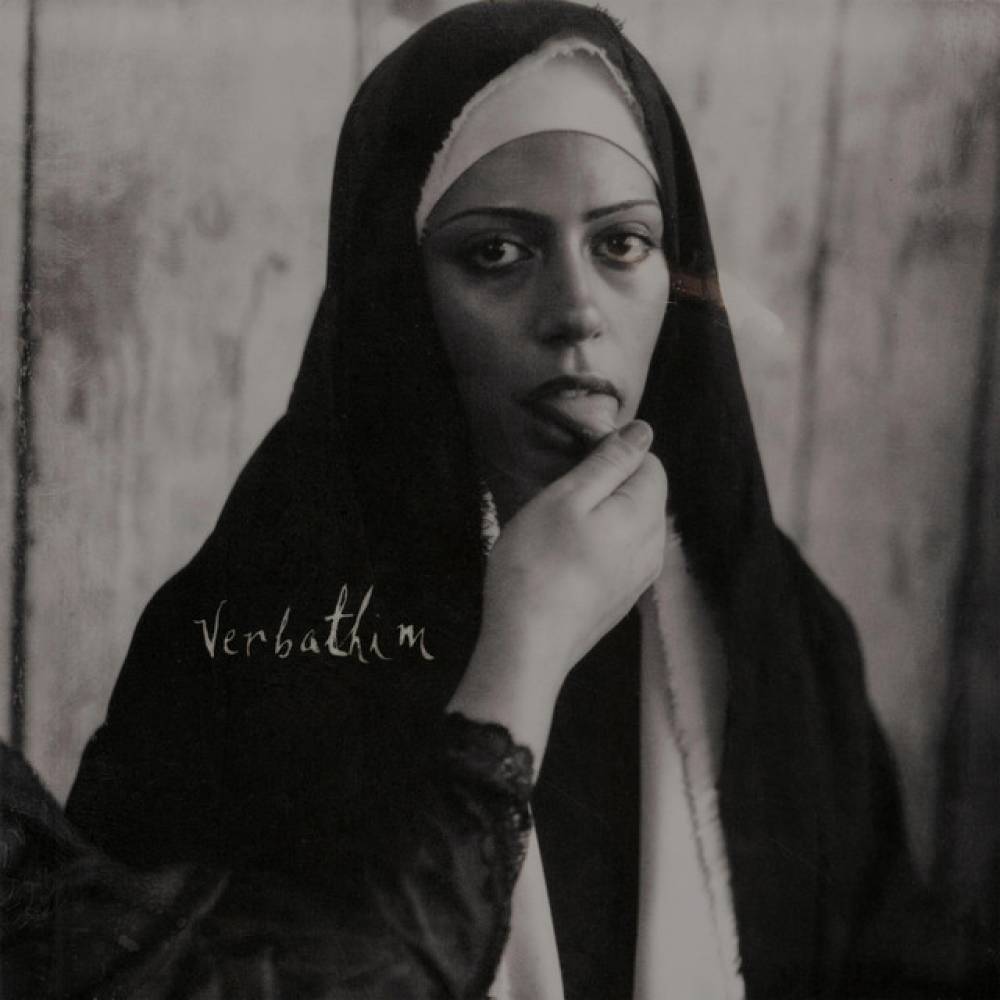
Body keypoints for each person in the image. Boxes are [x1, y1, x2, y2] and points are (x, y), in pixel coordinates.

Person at [7, 2, 982, 997]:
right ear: (400, 290)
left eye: (623, 244)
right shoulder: (244, 637)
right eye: (497, 253)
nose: (576, 312)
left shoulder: (772, 625)